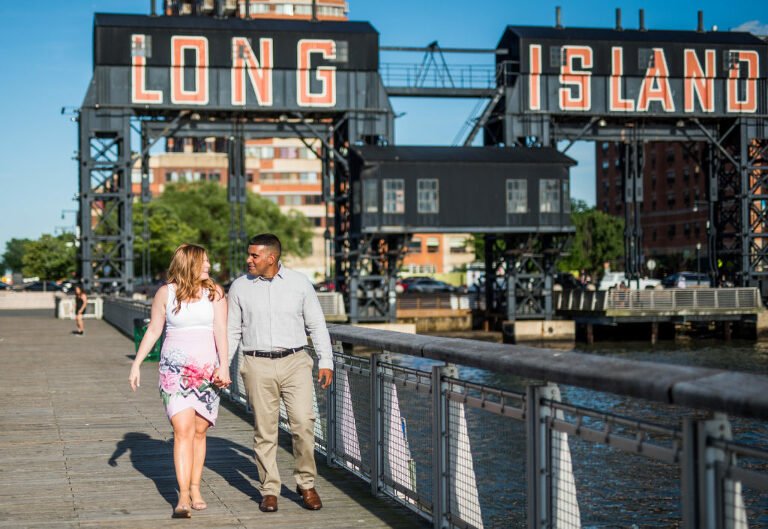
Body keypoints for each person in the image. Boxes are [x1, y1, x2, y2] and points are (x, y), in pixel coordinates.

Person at [227, 233, 333, 513]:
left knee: (304, 424)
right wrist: (222, 365)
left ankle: (306, 483)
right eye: (249, 254)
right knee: (265, 431)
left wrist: (326, 361)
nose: (248, 260)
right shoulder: (239, 287)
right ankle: (269, 490)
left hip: (295, 362)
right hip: (256, 363)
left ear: (271, 258)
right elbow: (232, 331)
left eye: (254, 255)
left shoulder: (300, 283)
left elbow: (316, 325)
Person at [128, 244, 231, 518]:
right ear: (189, 264)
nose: (208, 266)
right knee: (182, 429)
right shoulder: (166, 293)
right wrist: (136, 364)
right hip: (174, 371)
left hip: (206, 371)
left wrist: (224, 366)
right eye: (203, 261)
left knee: (199, 431)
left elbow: (221, 330)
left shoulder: (215, 292)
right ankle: (183, 494)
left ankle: (196, 488)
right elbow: (154, 330)